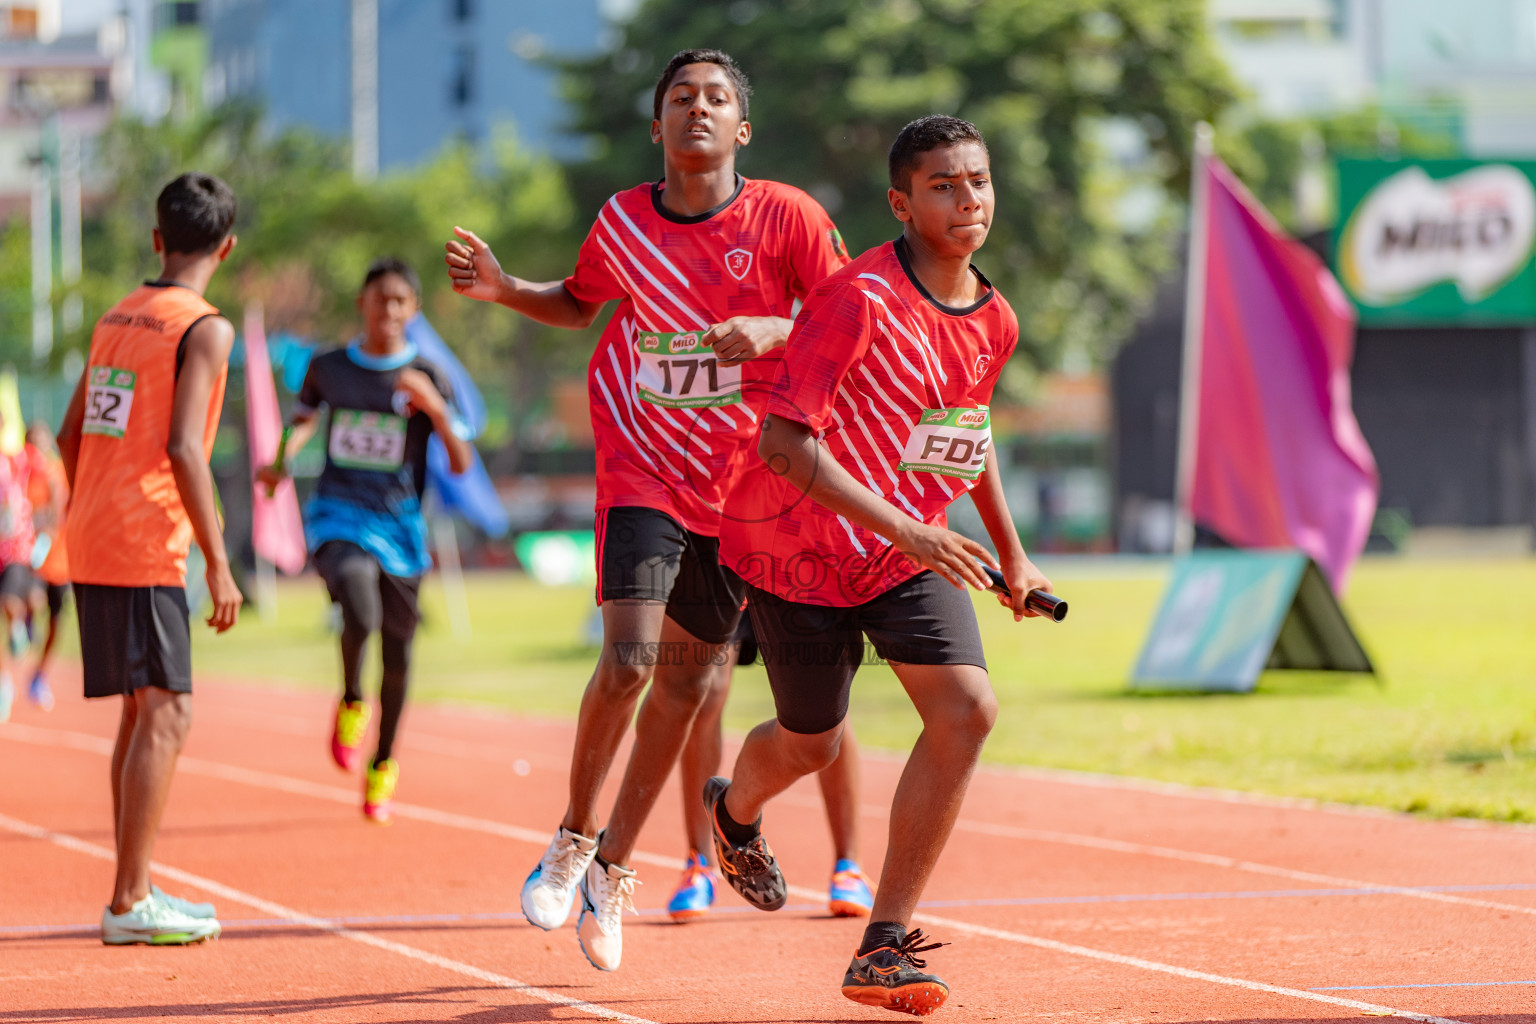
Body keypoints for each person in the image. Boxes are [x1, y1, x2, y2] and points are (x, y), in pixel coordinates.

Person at [445, 48, 850, 970]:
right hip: (642, 471)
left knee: (688, 684)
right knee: (629, 657)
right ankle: (572, 838)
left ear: (741, 128)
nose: (697, 110)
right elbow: (580, 301)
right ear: (657, 125)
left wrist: (776, 330)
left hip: (744, 491)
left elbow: (845, 320)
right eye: (680, 98)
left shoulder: (787, 218)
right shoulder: (623, 222)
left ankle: (614, 870)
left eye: (716, 100)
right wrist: (509, 290)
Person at [710, 115, 1053, 1015]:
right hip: (799, 550)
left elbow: (964, 439)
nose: (967, 198)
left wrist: (1014, 559)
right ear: (901, 203)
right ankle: (735, 809)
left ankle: (883, 943)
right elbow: (784, 444)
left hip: (908, 553)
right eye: (942, 184)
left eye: (977, 180)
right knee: (812, 743)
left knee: (968, 708)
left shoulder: (996, 319)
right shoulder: (855, 299)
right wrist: (907, 528)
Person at [57, 171, 244, 945]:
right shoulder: (203, 327)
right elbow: (183, 451)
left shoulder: (116, 317)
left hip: (95, 531)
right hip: (144, 541)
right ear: (227, 249)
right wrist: (220, 561)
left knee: (143, 713)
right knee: (169, 712)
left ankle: (132, 888)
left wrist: (92, 503)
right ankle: (130, 903)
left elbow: (71, 435)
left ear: (157, 239)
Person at [256, 258, 472, 824]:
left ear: (414, 311)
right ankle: (353, 697)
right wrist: (282, 459)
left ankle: (383, 764)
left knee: (399, 659)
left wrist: (434, 407)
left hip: (401, 527)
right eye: (381, 299)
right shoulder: (329, 367)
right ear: (363, 304)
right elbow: (303, 419)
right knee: (359, 603)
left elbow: (461, 459)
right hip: (339, 513)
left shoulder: (426, 373)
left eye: (401, 301)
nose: (390, 311)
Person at [666, 616, 873, 921]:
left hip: (793, 572)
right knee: (707, 690)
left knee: (828, 697)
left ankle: (848, 867)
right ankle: (700, 864)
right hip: (731, 570)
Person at [0, 410, 44, 722]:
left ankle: (19, 627)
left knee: (11, 602)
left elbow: (42, 463)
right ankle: (4, 685)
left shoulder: (15, 461)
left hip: (13, 550)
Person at [24, 421, 70, 712]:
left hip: (60, 560)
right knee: (30, 600)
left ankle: (39, 675)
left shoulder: (60, 473)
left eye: (44, 443)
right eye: (34, 444)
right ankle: (23, 628)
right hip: (30, 559)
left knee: (57, 619)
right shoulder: (23, 476)